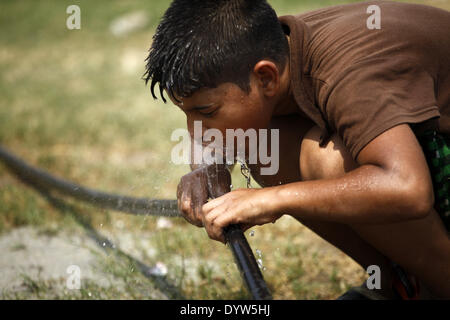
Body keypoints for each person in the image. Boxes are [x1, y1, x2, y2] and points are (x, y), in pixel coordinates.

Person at [144, 0, 450, 299]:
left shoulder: (349, 72)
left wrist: (274, 200)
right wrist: (206, 168)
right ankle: (401, 282)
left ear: (266, 77)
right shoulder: (271, 50)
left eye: (207, 112)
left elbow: (408, 187)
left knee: (326, 160)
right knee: (265, 146)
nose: (193, 132)